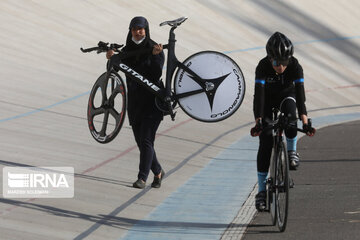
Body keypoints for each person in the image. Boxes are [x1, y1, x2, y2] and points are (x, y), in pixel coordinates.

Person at [251, 32, 315, 210]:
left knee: (291, 114)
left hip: (286, 96)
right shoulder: (263, 66)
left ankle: (292, 151)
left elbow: (301, 96)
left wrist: (305, 120)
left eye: (284, 62)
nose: (281, 67)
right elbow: (259, 97)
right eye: (276, 63)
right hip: (267, 101)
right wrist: (258, 121)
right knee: (265, 141)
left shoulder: (295, 65)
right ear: (270, 58)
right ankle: (262, 192)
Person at [107, 16, 165, 189]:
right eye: (135, 29)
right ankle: (158, 171)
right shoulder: (126, 51)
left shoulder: (156, 48)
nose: (138, 32)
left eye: (141, 29)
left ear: (146, 30)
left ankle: (142, 178)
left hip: (153, 102)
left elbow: (156, 75)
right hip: (134, 103)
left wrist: (155, 57)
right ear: (130, 30)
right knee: (141, 142)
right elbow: (114, 70)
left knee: (147, 140)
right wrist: (111, 58)